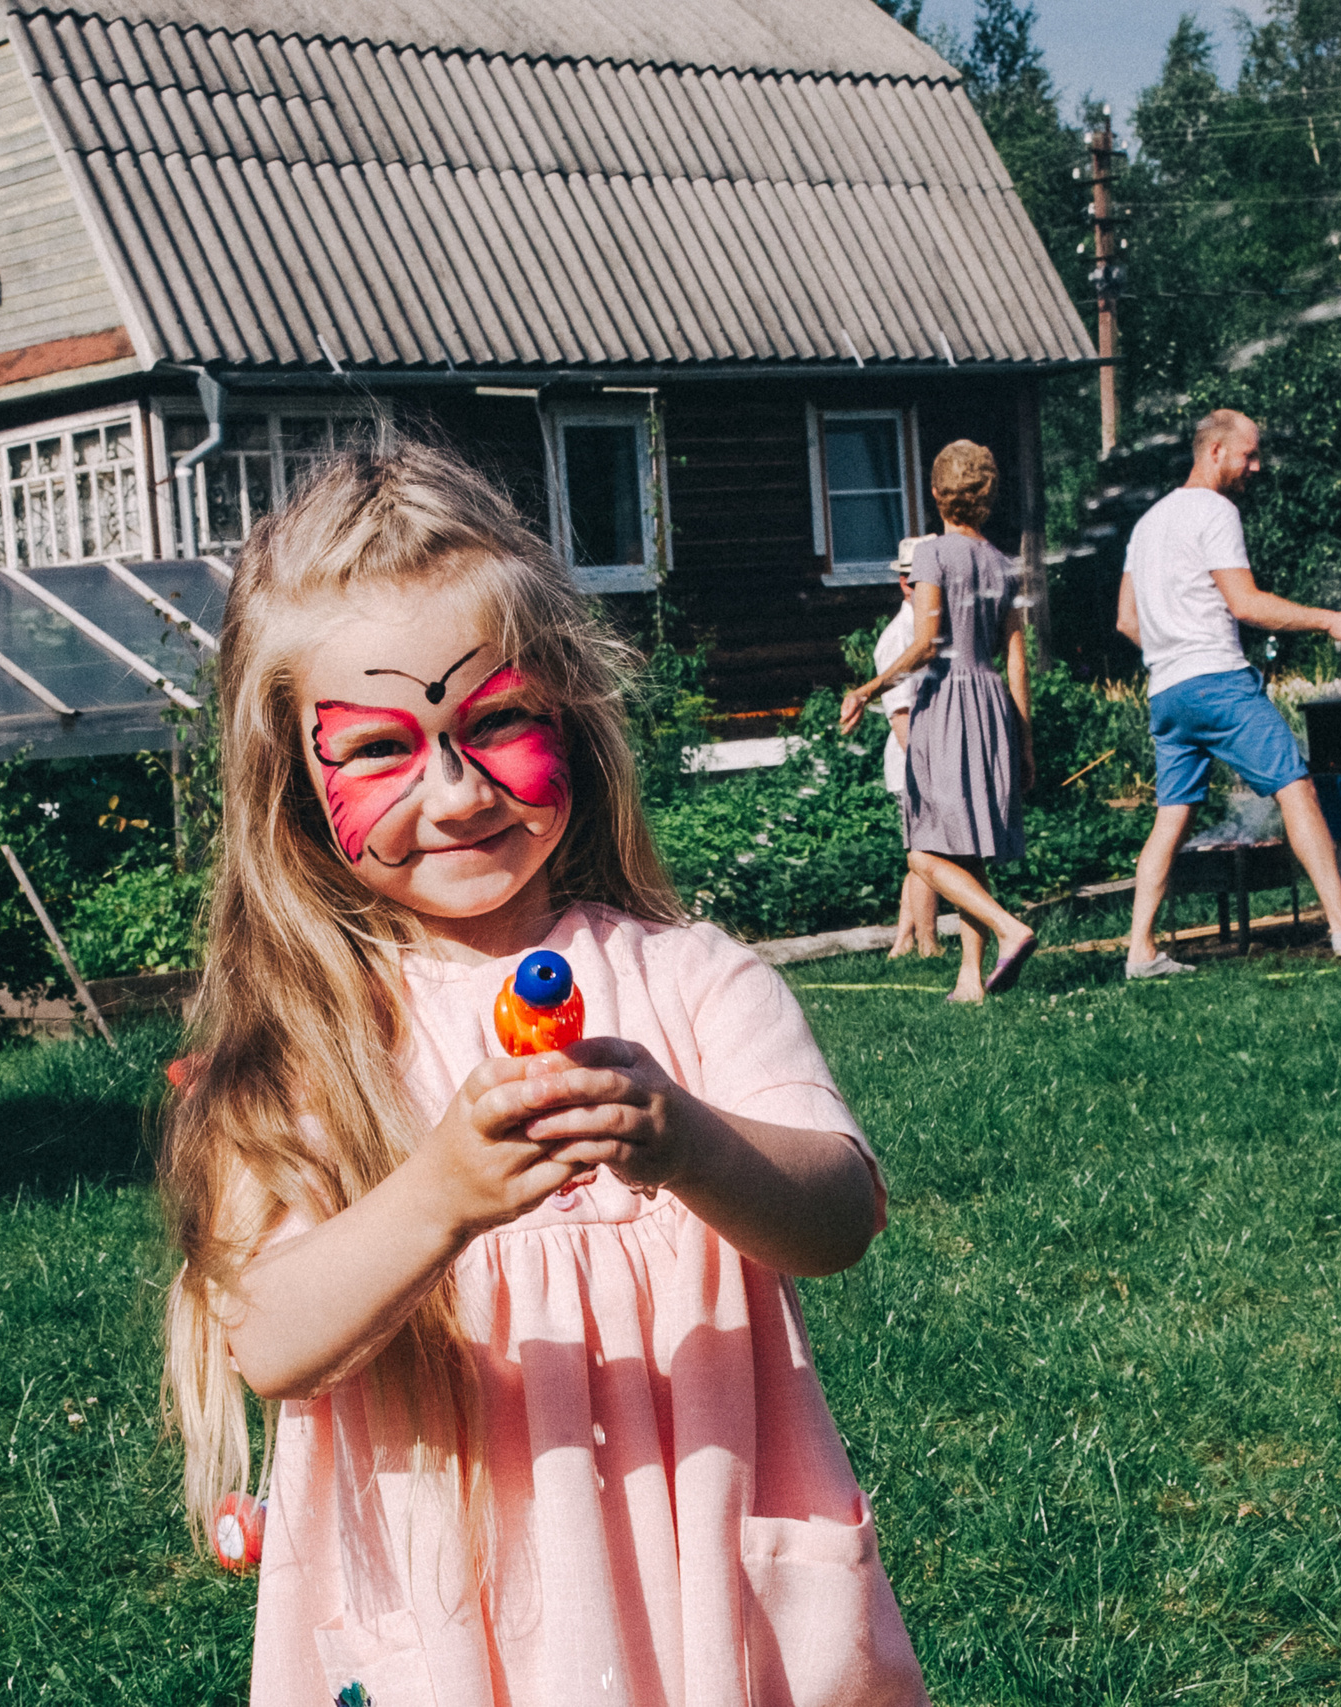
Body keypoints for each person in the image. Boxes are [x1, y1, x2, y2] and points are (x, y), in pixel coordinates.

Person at [159, 441, 927, 1707]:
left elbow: (836, 1218)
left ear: (566, 712)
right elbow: (275, 1341)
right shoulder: (308, 1039)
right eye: (379, 749)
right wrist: (441, 1194)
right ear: (295, 787)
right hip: (454, 1623)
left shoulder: (694, 984)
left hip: (702, 1598)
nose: (454, 793)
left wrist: (684, 1140)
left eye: (497, 721)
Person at [1116, 409, 1341, 975]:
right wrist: (1331, 620)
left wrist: (1172, 646)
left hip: (1166, 690)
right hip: (1215, 681)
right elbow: (1247, 604)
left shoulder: (1148, 524)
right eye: (1248, 455)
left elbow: (1127, 621)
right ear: (1213, 453)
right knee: (1294, 786)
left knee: (1171, 815)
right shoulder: (1215, 511)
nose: (1256, 466)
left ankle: (1140, 950)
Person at [840, 441, 1037, 1003]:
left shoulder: (931, 556)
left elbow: (927, 644)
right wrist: (1024, 742)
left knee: (924, 850)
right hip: (992, 702)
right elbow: (1016, 658)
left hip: (946, 702)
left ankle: (1009, 928)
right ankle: (970, 981)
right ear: (988, 495)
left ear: (935, 493)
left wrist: (869, 687)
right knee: (968, 849)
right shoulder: (1003, 563)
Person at [872, 541, 941, 957]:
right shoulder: (897, 639)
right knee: (927, 852)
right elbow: (901, 719)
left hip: (933, 755)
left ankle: (903, 940)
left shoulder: (931, 631)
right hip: (913, 761)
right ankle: (928, 945)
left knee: (922, 853)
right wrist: (927, 775)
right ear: (906, 583)